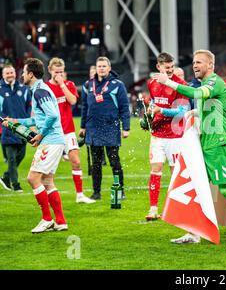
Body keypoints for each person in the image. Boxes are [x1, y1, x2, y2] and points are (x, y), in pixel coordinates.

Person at [156, 49, 226, 243]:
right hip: (207, 142)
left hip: (219, 142)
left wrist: (168, 81)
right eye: (194, 62)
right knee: (196, 186)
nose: (195, 65)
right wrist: (196, 112)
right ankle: (194, 232)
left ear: (210, 65)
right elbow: (213, 105)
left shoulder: (214, 82)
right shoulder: (207, 84)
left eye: (200, 62)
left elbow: (197, 93)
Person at [2, 58, 67, 233]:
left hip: (50, 140)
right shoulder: (39, 90)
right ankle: (60, 221)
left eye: (24, 72)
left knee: (32, 178)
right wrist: (15, 121)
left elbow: (53, 115)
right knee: (47, 181)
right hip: (55, 140)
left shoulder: (39, 91)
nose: (22, 75)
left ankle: (47, 219)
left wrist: (40, 134)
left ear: (31, 74)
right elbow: (37, 119)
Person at [144, 52, 189, 220]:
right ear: (158, 67)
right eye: (167, 68)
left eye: (172, 67)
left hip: (175, 136)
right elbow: (154, 103)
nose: (170, 70)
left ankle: (176, 209)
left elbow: (182, 111)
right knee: (155, 171)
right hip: (157, 135)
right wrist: (149, 115)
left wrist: (160, 110)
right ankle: (153, 209)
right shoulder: (152, 83)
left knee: (174, 174)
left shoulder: (180, 85)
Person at [79, 56, 130, 200]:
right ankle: (96, 193)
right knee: (96, 163)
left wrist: (126, 127)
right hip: (93, 128)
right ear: (96, 68)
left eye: (103, 66)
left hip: (111, 127)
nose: (101, 69)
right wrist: (83, 126)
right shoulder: (88, 85)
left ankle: (120, 191)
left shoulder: (118, 85)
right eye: (99, 66)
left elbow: (124, 108)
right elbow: (85, 107)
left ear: (109, 68)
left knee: (114, 161)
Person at [45, 58, 94, 204]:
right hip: (52, 133)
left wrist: (62, 85)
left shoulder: (69, 84)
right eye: (56, 72)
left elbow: (73, 101)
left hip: (68, 131)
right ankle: (48, 196)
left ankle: (80, 195)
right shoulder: (45, 88)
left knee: (76, 162)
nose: (59, 74)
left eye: (61, 71)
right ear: (49, 70)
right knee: (49, 169)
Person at [0, 64, 32, 192]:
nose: (10, 75)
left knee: (21, 155)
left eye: (11, 73)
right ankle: (16, 185)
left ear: (15, 73)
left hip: (23, 130)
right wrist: (5, 121)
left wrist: (28, 120)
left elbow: (29, 106)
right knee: (12, 159)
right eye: (7, 73)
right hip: (8, 130)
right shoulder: (0, 90)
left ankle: (6, 177)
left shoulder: (24, 89)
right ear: (3, 75)